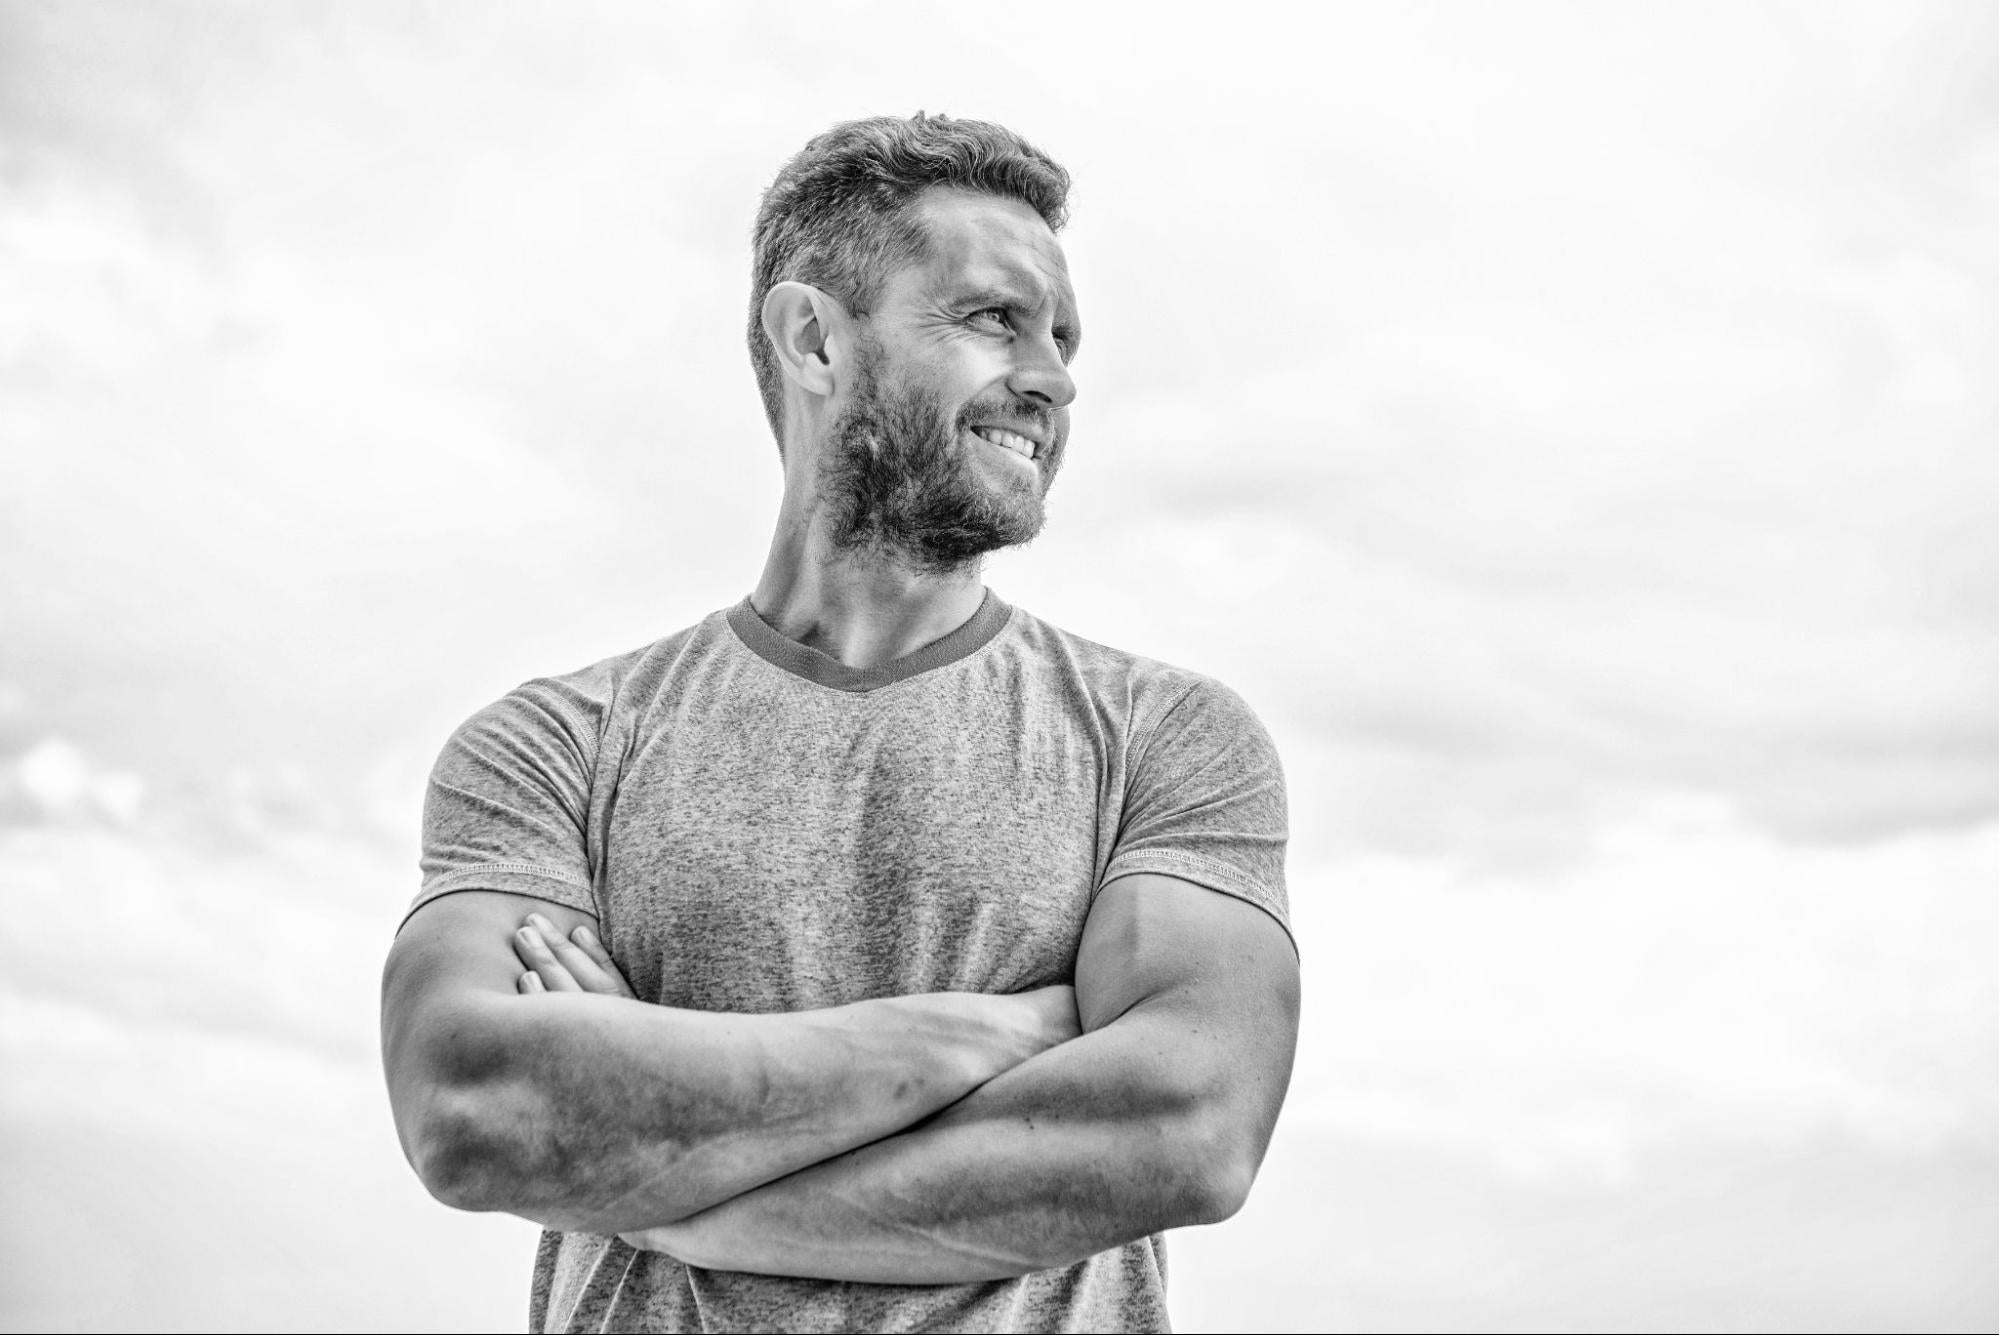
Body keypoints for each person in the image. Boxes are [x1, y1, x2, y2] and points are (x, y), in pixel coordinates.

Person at [380, 111, 1300, 1334]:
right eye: (992, 320)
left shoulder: (1164, 737)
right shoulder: (556, 746)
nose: (1054, 378)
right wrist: (989, 1036)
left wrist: (659, 1173)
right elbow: (475, 1110)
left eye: (1064, 337)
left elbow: (1185, 1129)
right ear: (814, 338)